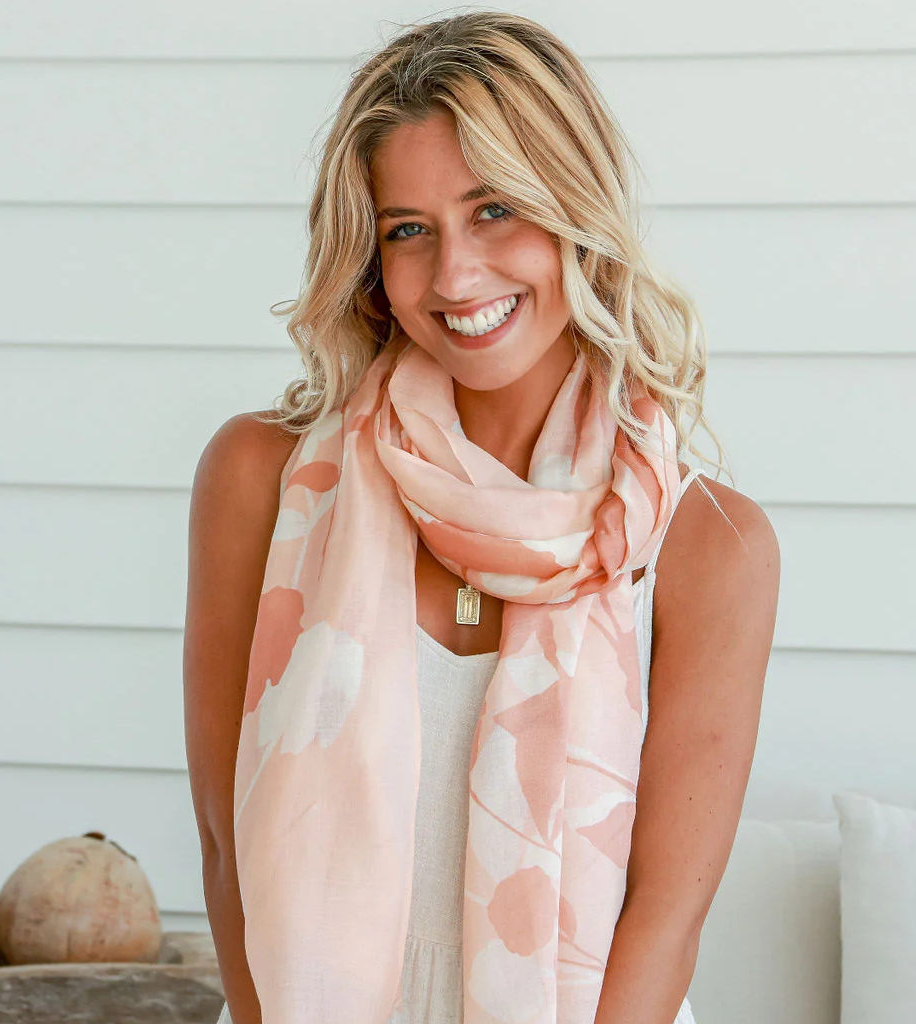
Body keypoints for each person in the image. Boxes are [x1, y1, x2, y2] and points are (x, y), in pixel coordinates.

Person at [183, 11, 779, 1024]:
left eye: (494, 209)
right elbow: (225, 846)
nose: (455, 277)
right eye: (408, 230)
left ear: (575, 208)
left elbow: (663, 924)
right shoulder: (263, 480)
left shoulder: (705, 544)